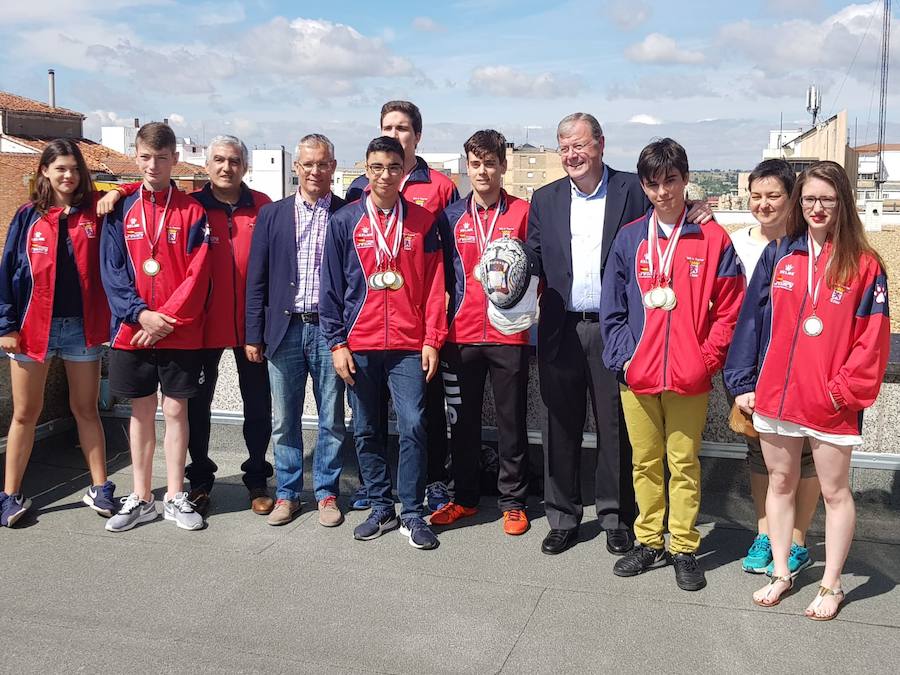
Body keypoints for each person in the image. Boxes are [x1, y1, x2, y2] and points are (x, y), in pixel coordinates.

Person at [525, 113, 712, 556]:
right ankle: (563, 516)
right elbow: (532, 254)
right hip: (560, 328)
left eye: (580, 145)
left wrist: (700, 210)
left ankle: (615, 516)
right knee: (560, 426)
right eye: (564, 146)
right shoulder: (545, 198)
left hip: (616, 330)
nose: (572, 154)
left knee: (617, 428)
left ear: (601, 145)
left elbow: (669, 218)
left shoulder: (633, 189)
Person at [725, 160, 890, 619]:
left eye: (827, 200)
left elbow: (872, 341)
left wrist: (841, 393)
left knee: (836, 493)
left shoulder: (865, 265)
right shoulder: (780, 254)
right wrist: (742, 383)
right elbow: (751, 324)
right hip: (777, 397)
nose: (817, 208)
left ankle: (832, 585)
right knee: (780, 483)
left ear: (843, 204)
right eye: (810, 199)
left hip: (831, 403)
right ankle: (781, 572)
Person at [600, 138, 744, 591]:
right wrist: (624, 358)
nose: (663, 191)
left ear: (686, 180)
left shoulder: (712, 237)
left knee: (683, 462)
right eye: (654, 183)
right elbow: (613, 307)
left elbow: (729, 309)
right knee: (644, 462)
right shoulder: (629, 239)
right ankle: (650, 540)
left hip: (689, 376)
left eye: (672, 181)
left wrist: (705, 361)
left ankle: (683, 545)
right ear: (644, 186)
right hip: (639, 375)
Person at [320, 136, 447, 550]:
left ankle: (411, 511)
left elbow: (434, 288)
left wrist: (432, 339)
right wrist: (337, 343)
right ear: (366, 169)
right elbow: (331, 289)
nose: (385, 175)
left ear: (402, 171)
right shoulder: (344, 222)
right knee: (368, 427)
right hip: (360, 343)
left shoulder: (423, 222)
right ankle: (380, 506)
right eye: (376, 167)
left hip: (410, 344)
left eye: (393, 167)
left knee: (413, 423)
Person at [346, 100, 459, 512]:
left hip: (414, 330)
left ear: (417, 135)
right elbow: (344, 272)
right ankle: (375, 493)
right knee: (367, 420)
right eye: (388, 127)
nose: (396, 135)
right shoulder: (358, 189)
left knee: (421, 416)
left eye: (403, 128)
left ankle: (430, 485)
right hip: (367, 329)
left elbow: (443, 266)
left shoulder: (440, 187)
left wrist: (435, 331)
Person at [0, 140, 119, 526]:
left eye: (74, 169)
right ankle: (10, 495)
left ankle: (100, 488)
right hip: (33, 330)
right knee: (25, 414)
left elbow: (134, 191)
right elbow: (8, 273)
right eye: (60, 169)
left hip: (81, 329)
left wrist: (117, 189)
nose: (68, 176)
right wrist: (7, 326)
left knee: (85, 409)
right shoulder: (27, 217)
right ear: (45, 172)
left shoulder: (94, 212)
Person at [100, 122, 211, 532]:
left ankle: (176, 495)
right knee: (141, 412)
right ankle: (142, 496)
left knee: (177, 411)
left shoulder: (193, 211)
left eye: (162, 158)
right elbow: (110, 271)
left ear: (175, 160)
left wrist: (162, 319)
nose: (153, 165)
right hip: (131, 330)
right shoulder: (118, 209)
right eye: (146, 157)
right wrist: (139, 314)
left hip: (178, 331)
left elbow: (198, 275)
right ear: (135, 156)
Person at [431, 129, 532, 536]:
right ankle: (466, 498)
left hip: (510, 335)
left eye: (491, 162)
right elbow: (438, 278)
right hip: (462, 335)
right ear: (466, 167)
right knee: (463, 422)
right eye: (475, 163)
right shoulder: (451, 216)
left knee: (512, 422)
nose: (483, 171)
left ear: (504, 166)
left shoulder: (524, 212)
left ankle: (513, 501)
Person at [245, 133, 348, 527]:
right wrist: (254, 333)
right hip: (283, 329)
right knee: (284, 418)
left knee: (332, 419)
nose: (315, 171)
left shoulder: (345, 212)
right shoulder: (272, 215)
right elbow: (257, 278)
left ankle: (326, 493)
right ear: (296, 168)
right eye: (308, 164)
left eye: (323, 164)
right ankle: (287, 493)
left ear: (333, 168)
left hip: (328, 330)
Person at [730, 159, 820, 577]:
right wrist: (741, 377)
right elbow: (745, 315)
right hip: (759, 370)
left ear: (793, 200)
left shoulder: (814, 246)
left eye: (774, 196)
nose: (764, 205)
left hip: (808, 374)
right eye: (756, 196)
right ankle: (765, 532)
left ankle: (797, 538)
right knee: (758, 454)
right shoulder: (741, 243)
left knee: (806, 459)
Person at [184, 136, 275, 516]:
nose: (226, 167)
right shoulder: (191, 207)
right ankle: (201, 478)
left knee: (258, 404)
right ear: (207, 166)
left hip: (253, 325)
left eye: (234, 161)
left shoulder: (264, 207)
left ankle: (257, 476)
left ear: (245, 166)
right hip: (202, 326)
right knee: (196, 405)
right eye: (219, 160)